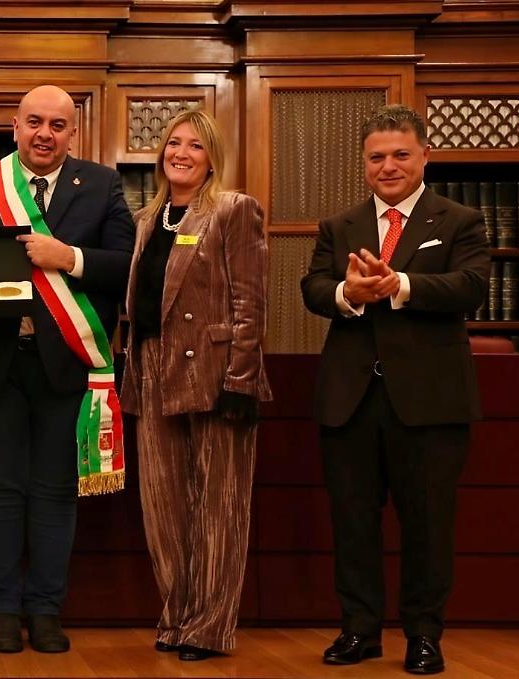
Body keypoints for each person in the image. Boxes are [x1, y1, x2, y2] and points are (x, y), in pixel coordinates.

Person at [0, 84, 134, 654]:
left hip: (66, 364)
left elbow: (125, 266)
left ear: (73, 132)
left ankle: (45, 610)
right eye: (34, 122)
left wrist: (66, 257)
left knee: (54, 491)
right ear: (15, 126)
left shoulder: (100, 185)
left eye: (58, 125)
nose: (45, 133)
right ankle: (1, 610)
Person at [301, 104, 489, 675]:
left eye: (400, 155)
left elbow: (471, 286)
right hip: (350, 399)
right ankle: (359, 630)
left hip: (430, 402)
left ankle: (424, 636)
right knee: (353, 520)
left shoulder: (459, 220)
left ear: (424, 156)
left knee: (428, 524)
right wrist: (349, 294)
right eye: (377, 157)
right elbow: (314, 288)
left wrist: (400, 284)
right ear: (363, 163)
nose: (388, 166)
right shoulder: (341, 226)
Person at [119, 108, 271, 661]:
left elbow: (251, 302)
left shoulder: (233, 210)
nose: (181, 153)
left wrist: (241, 379)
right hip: (152, 369)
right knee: (162, 506)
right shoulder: (147, 217)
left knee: (218, 506)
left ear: (212, 159)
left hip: (214, 372)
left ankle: (208, 628)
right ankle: (177, 615)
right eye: (174, 143)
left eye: (195, 146)